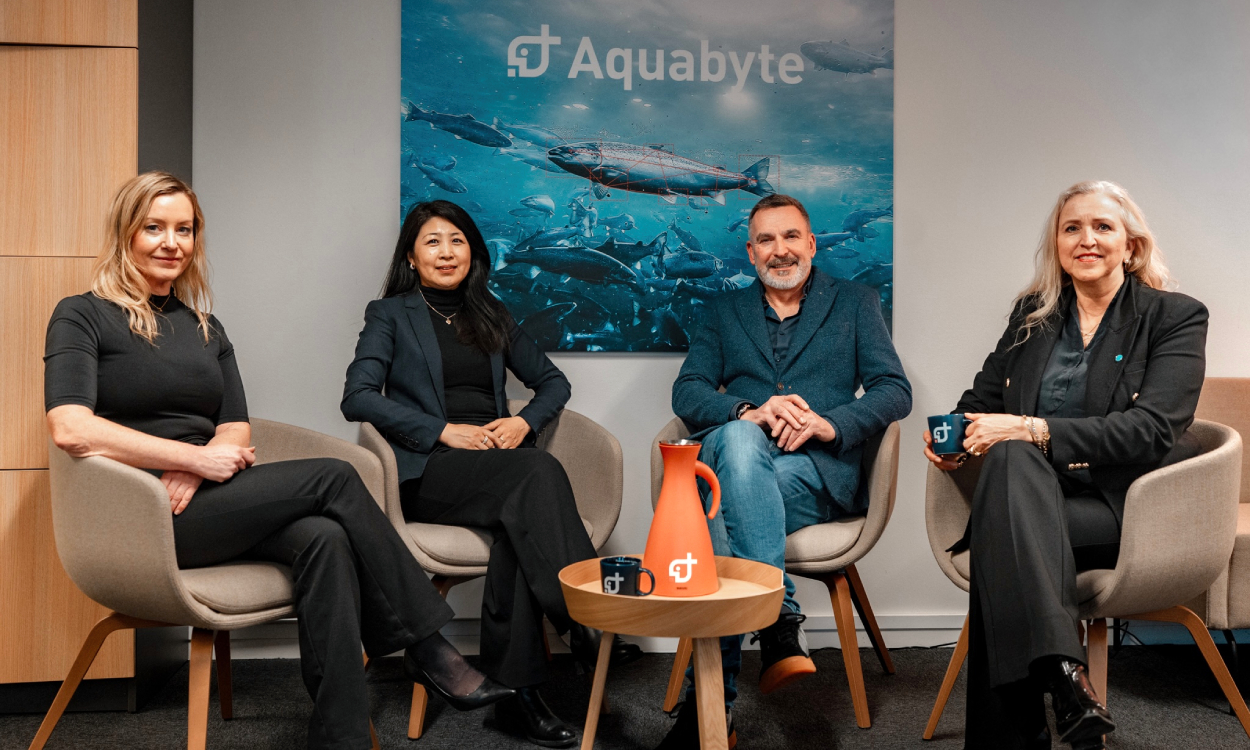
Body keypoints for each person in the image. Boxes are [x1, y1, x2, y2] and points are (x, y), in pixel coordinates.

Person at [43, 173, 512, 750]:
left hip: (208, 503)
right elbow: (70, 426)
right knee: (333, 476)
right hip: (142, 513)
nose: (171, 243)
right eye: (154, 228)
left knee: (324, 538)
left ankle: (340, 737)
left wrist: (198, 464)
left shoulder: (204, 327)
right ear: (125, 234)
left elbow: (235, 425)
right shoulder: (81, 315)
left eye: (184, 230)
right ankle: (428, 646)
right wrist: (192, 457)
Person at [340, 199, 640, 748]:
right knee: (535, 473)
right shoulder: (389, 314)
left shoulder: (491, 312)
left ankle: (519, 699)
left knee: (515, 530)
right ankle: (584, 619)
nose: (446, 252)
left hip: (500, 469)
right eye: (432, 242)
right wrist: (442, 431)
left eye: (457, 240)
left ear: (473, 252)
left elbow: (553, 382)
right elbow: (357, 397)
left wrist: (523, 422)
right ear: (411, 256)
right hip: (433, 473)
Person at [923, 180, 1208, 750]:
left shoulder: (1174, 316)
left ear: (1131, 245)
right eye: (1071, 228)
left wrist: (1032, 429)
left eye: (1103, 227)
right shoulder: (1033, 315)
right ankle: (1067, 683)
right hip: (1028, 499)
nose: (1086, 239)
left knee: (1006, 510)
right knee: (1010, 472)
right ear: (1057, 244)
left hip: (1118, 509)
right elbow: (979, 402)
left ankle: (1037, 703)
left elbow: (1152, 430)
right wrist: (950, 438)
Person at [663, 193, 912, 747]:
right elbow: (688, 390)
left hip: (814, 471)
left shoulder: (856, 302)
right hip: (739, 457)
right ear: (750, 252)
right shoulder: (722, 311)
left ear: (812, 244)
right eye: (766, 240)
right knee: (736, 438)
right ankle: (778, 616)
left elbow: (895, 389)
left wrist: (830, 424)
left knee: (714, 518)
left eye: (791, 236)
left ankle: (704, 712)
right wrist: (747, 413)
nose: (780, 250)